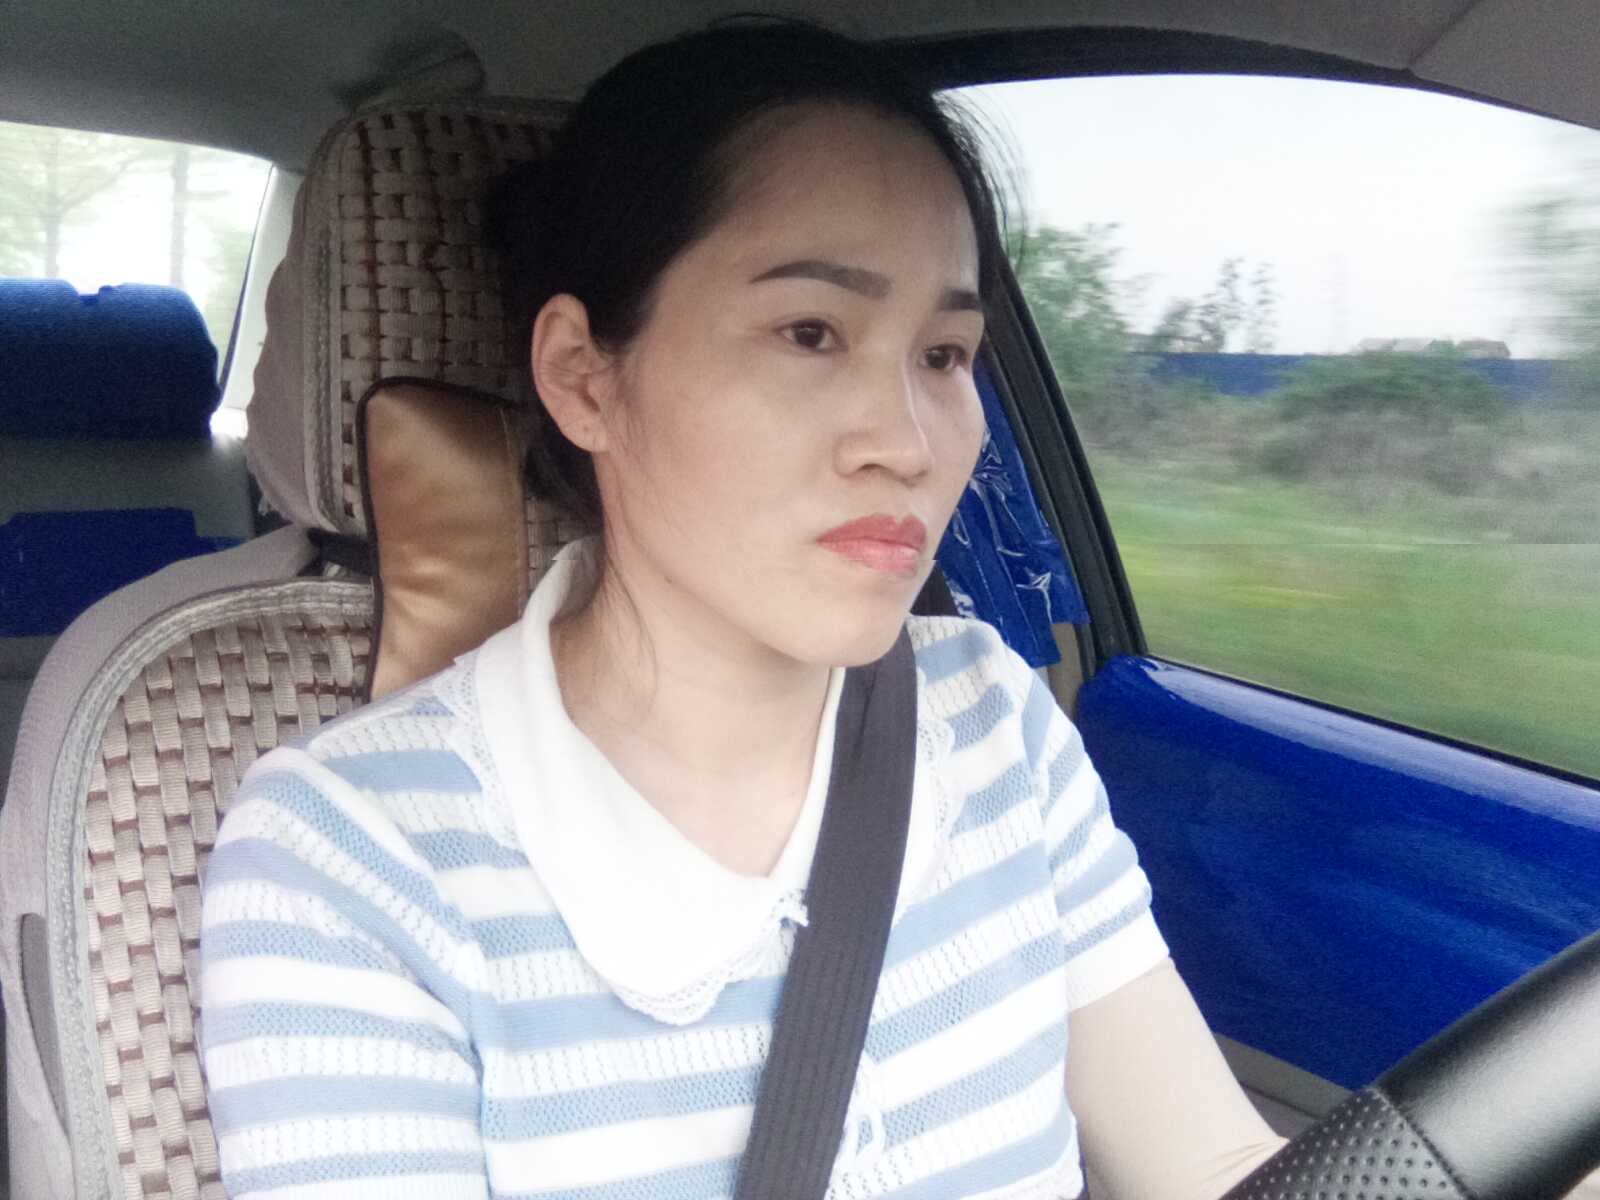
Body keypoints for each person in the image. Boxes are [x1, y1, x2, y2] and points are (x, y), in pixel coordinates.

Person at [198, 20, 1287, 1199]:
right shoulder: (353, 857)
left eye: (942, 353)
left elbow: (1217, 1166)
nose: (907, 442)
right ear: (583, 376)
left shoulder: (991, 722)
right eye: (810, 333)